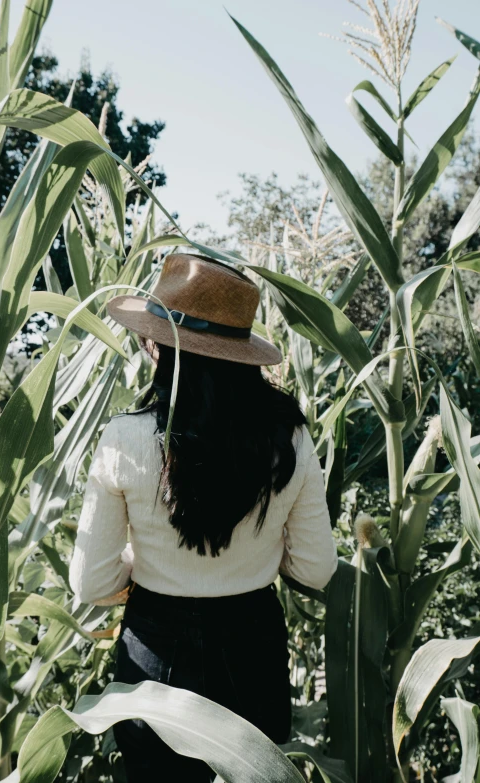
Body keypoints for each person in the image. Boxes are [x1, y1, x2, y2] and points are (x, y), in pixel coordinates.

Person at [69, 253, 338, 783]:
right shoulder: (291, 438)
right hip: (252, 647)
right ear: (242, 354)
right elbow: (315, 570)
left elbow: (90, 581)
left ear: (157, 347)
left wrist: (141, 559)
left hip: (154, 652)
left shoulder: (123, 439)